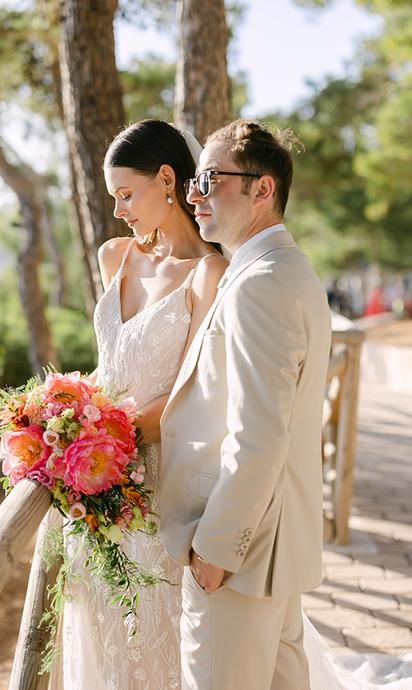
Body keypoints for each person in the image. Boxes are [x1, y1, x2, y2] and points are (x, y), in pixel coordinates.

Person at [49, 119, 228, 690]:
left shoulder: (210, 273)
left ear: (168, 179)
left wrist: (97, 436)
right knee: (96, 623)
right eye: (113, 197)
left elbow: (184, 392)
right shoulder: (113, 255)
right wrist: (64, 422)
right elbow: (109, 365)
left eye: (127, 194)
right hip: (95, 476)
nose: (120, 210)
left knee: (155, 637)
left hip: (154, 483)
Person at [159, 119, 332, 690]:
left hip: (239, 553)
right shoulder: (280, 269)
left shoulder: (262, 281)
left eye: (210, 178)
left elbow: (260, 432)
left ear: (263, 189)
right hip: (270, 549)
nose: (194, 194)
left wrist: (215, 548)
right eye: (193, 180)